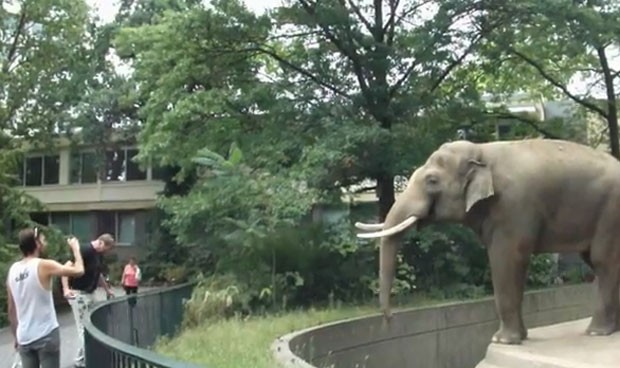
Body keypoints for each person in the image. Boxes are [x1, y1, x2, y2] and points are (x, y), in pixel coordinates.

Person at [6, 227, 85, 368]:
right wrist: (76, 249)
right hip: (46, 334)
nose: (45, 242)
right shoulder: (43, 265)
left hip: (24, 337)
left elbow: (11, 309)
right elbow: (79, 270)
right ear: (36, 244)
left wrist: (16, 336)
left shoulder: (13, 270)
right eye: (43, 239)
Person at [61, 233, 116, 368]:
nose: (106, 252)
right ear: (101, 243)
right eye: (106, 249)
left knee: (94, 325)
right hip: (79, 294)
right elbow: (65, 268)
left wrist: (107, 290)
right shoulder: (84, 250)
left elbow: (99, 274)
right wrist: (66, 289)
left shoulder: (98, 255)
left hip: (90, 293)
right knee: (83, 328)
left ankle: (80, 359)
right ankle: (90, 360)